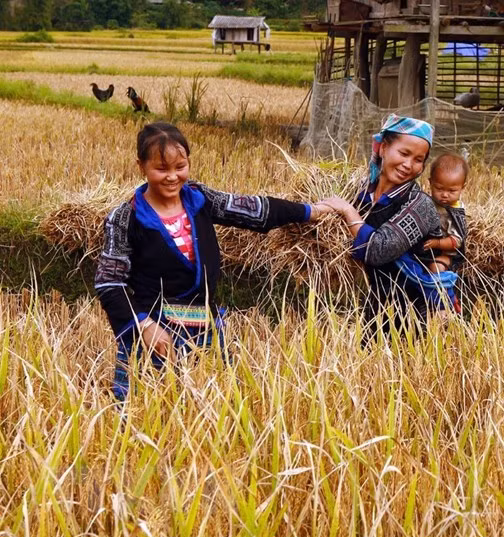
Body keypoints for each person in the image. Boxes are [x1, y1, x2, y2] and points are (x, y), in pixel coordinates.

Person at [96, 122, 333, 401]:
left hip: (203, 326)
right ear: (141, 166)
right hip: (154, 332)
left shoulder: (199, 199)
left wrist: (311, 211)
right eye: (161, 169)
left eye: (180, 167)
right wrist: (145, 327)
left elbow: (254, 210)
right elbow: (110, 283)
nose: (173, 177)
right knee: (145, 413)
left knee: (217, 415)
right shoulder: (125, 218)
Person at [321, 114, 459, 337]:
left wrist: (347, 211)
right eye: (404, 153)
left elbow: (378, 251)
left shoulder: (420, 204)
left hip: (416, 316)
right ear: (383, 148)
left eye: (418, 160)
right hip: (372, 307)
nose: (408, 165)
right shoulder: (360, 191)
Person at [421, 153, 469, 275]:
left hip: (445, 254)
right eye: (439, 189)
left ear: (462, 188)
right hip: (424, 249)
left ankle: (445, 292)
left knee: (436, 268)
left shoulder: (455, 213)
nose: (445, 195)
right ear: (430, 183)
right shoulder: (425, 202)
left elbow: (456, 241)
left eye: (452, 191)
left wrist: (437, 244)